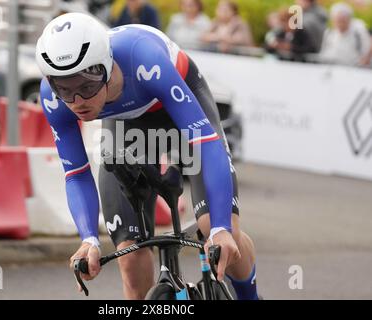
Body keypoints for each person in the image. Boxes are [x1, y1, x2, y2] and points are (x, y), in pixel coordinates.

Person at [36, 12, 259, 300]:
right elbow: (76, 173)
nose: (77, 101)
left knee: (218, 234)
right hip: (125, 128)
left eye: (87, 87)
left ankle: (250, 296)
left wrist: (221, 228)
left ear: (106, 66)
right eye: (64, 89)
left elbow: (206, 143)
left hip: (179, 112)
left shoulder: (143, 57)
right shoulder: (53, 97)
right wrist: (88, 239)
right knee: (130, 255)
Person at [319, 2, 371, 67]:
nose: (339, 24)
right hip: (331, 67)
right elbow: (323, 52)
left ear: (349, 19)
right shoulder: (329, 32)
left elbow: (366, 54)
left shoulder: (358, 32)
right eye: (337, 20)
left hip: (354, 69)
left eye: (342, 21)